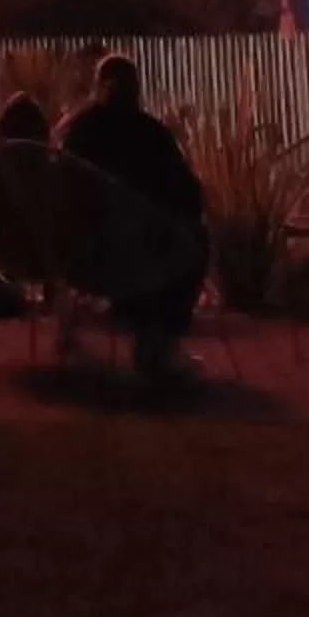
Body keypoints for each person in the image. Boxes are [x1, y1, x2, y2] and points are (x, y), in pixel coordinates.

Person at [58, 55, 207, 380]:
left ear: (98, 87)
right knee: (194, 240)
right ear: (136, 89)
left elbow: (60, 192)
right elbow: (190, 194)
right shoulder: (152, 134)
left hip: (82, 255)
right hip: (143, 256)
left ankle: (129, 325)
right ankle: (156, 343)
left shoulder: (77, 132)